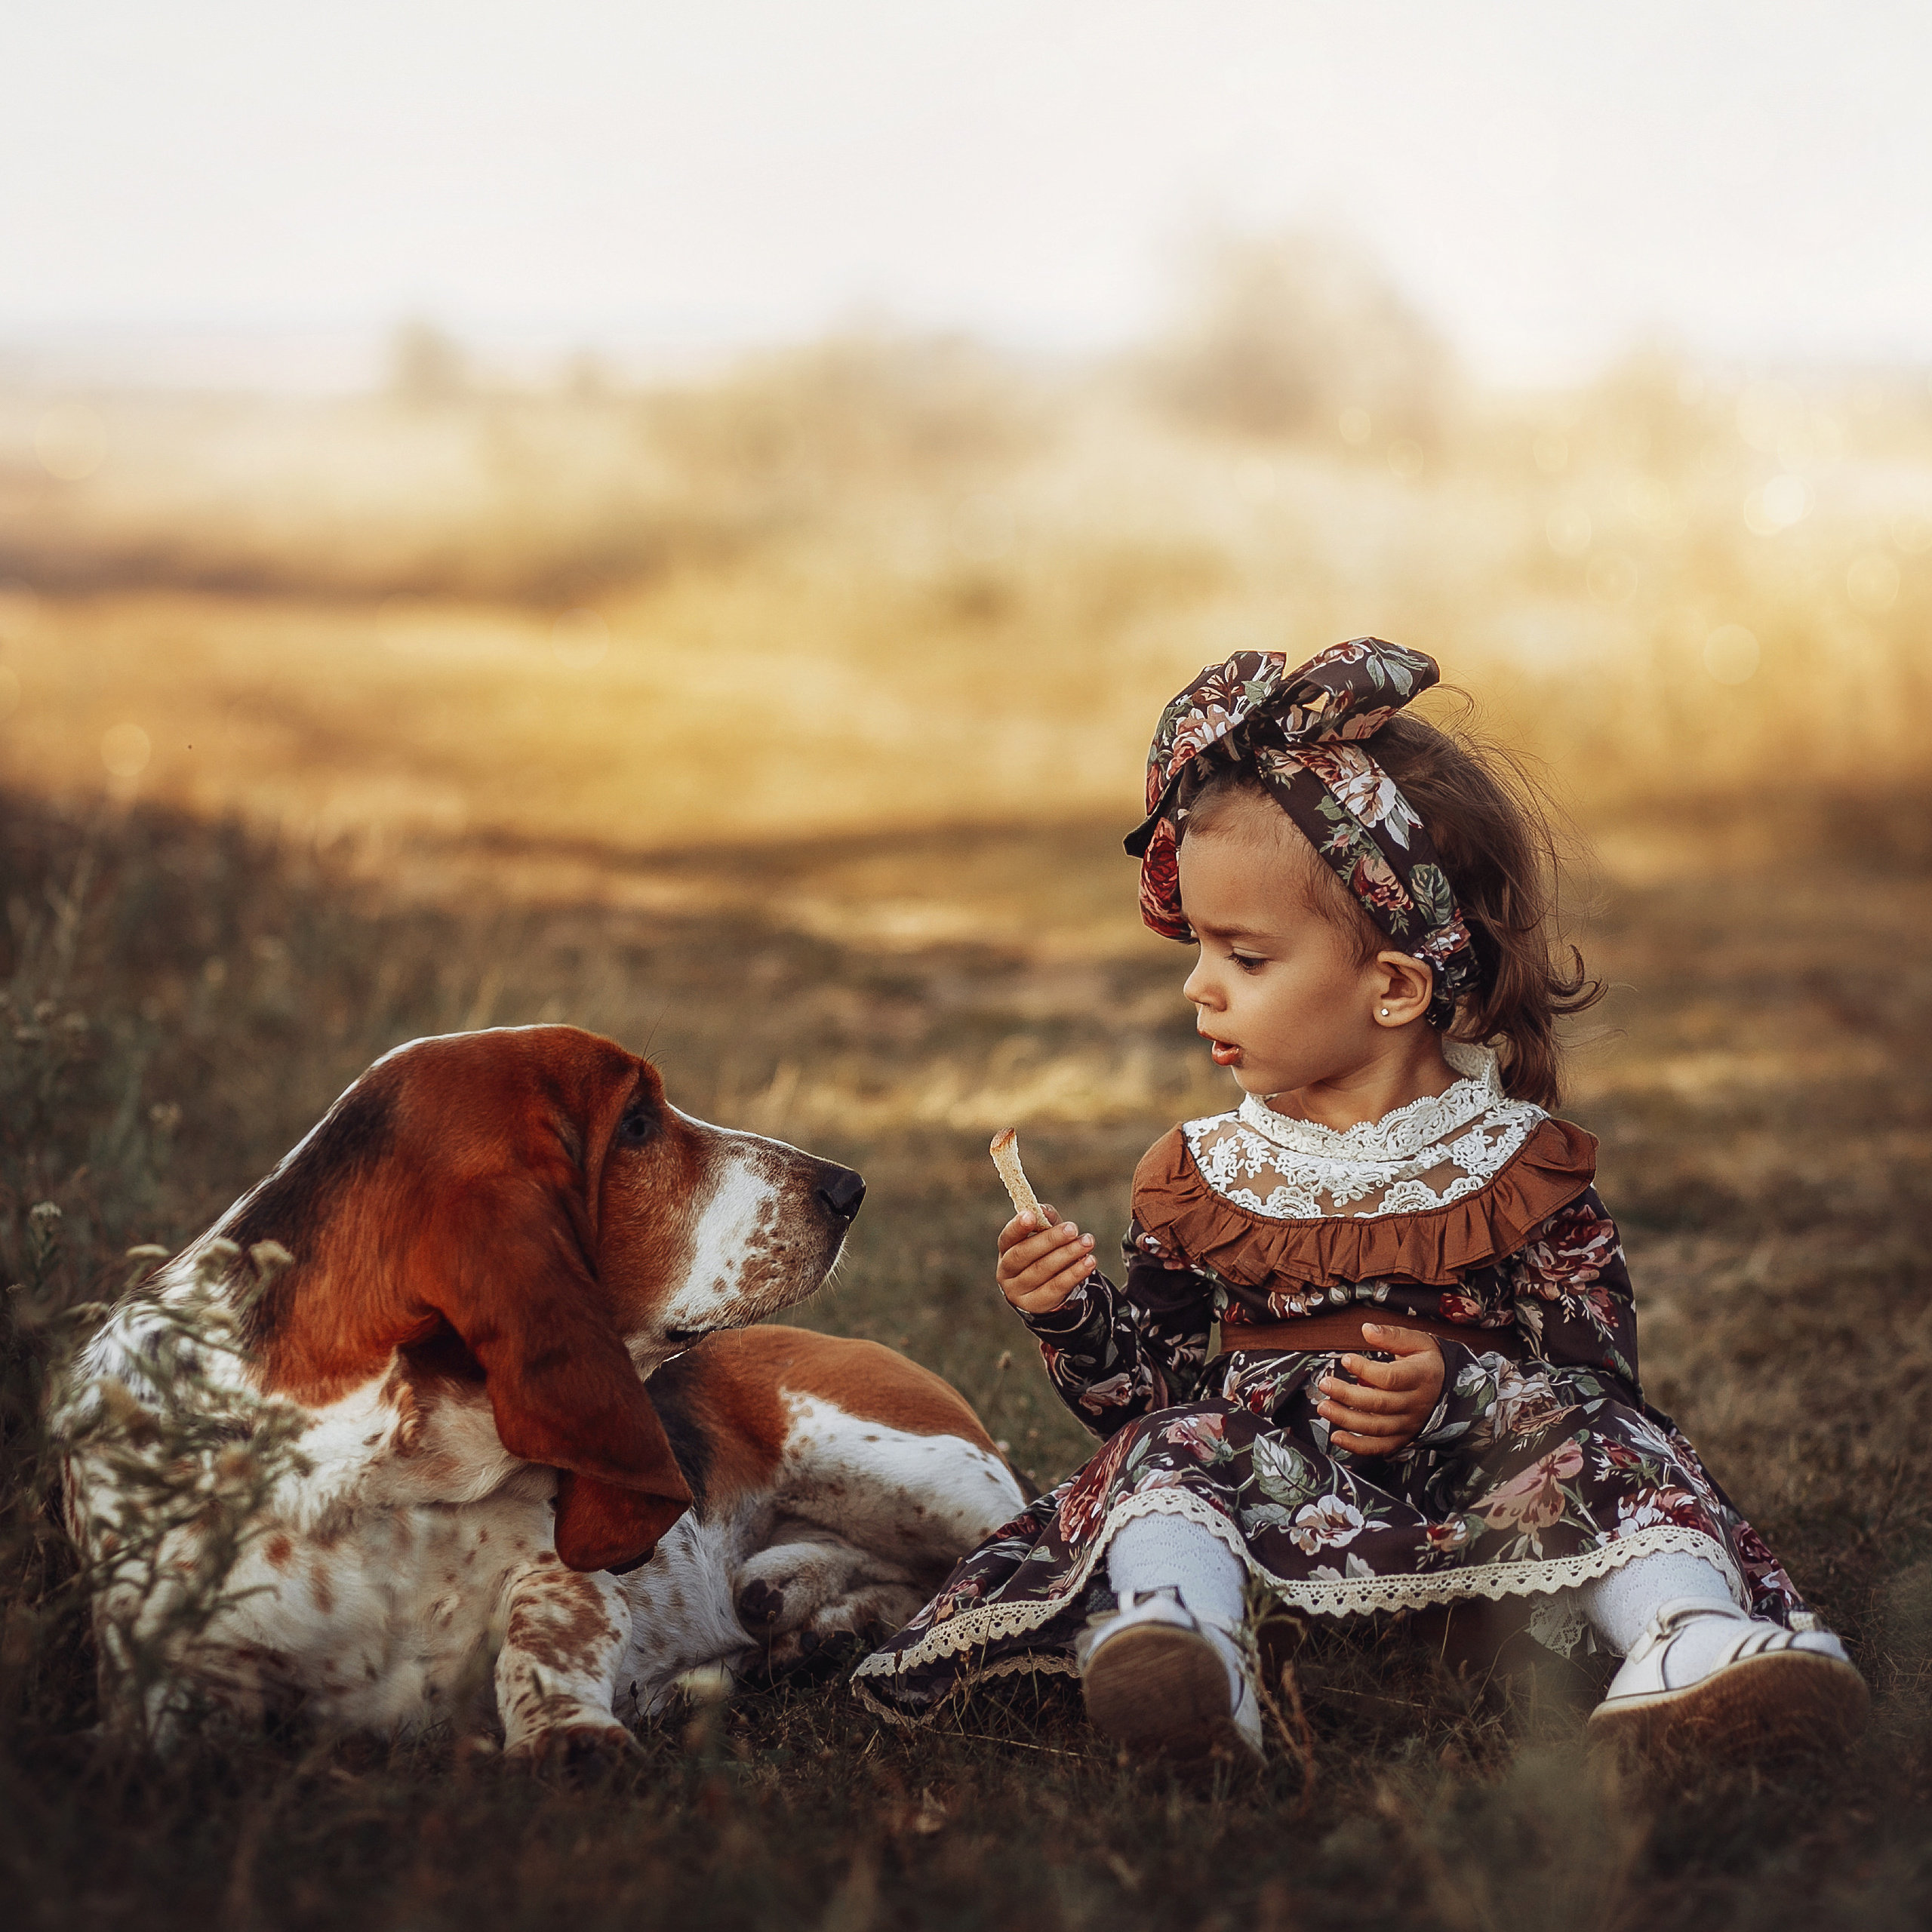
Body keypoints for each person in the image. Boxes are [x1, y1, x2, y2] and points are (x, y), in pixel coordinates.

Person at [854, 638, 1868, 1768]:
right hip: (1275, 1507)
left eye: (1244, 957)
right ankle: (1186, 1641)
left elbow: (1599, 1378)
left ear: (1392, 987)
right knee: (1166, 1452)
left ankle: (1686, 1639)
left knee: (1616, 1444)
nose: (1197, 985)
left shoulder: (1519, 1166)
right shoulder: (1199, 1176)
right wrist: (1070, 1313)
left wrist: (1455, 1390)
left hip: (1482, 1511)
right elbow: (1153, 1393)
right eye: (1199, 946)